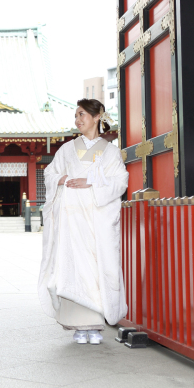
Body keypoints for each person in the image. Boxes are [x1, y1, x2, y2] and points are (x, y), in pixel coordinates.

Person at [38, 98, 128, 345]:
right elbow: (49, 173)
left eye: (82, 115)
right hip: (70, 221)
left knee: (96, 267)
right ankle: (78, 324)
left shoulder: (109, 152)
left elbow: (120, 181)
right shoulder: (67, 149)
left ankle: (96, 325)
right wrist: (61, 178)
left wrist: (92, 183)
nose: (77, 120)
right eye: (76, 116)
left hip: (95, 221)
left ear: (97, 116)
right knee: (72, 267)